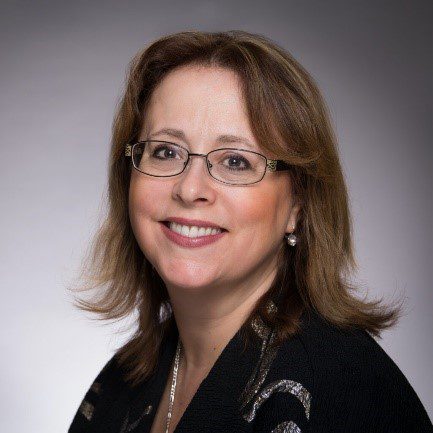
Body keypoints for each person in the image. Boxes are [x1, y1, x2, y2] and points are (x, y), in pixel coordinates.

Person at [67, 30, 432, 433]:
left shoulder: (346, 391)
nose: (190, 189)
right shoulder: (121, 383)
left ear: (298, 203)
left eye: (236, 161)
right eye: (166, 151)